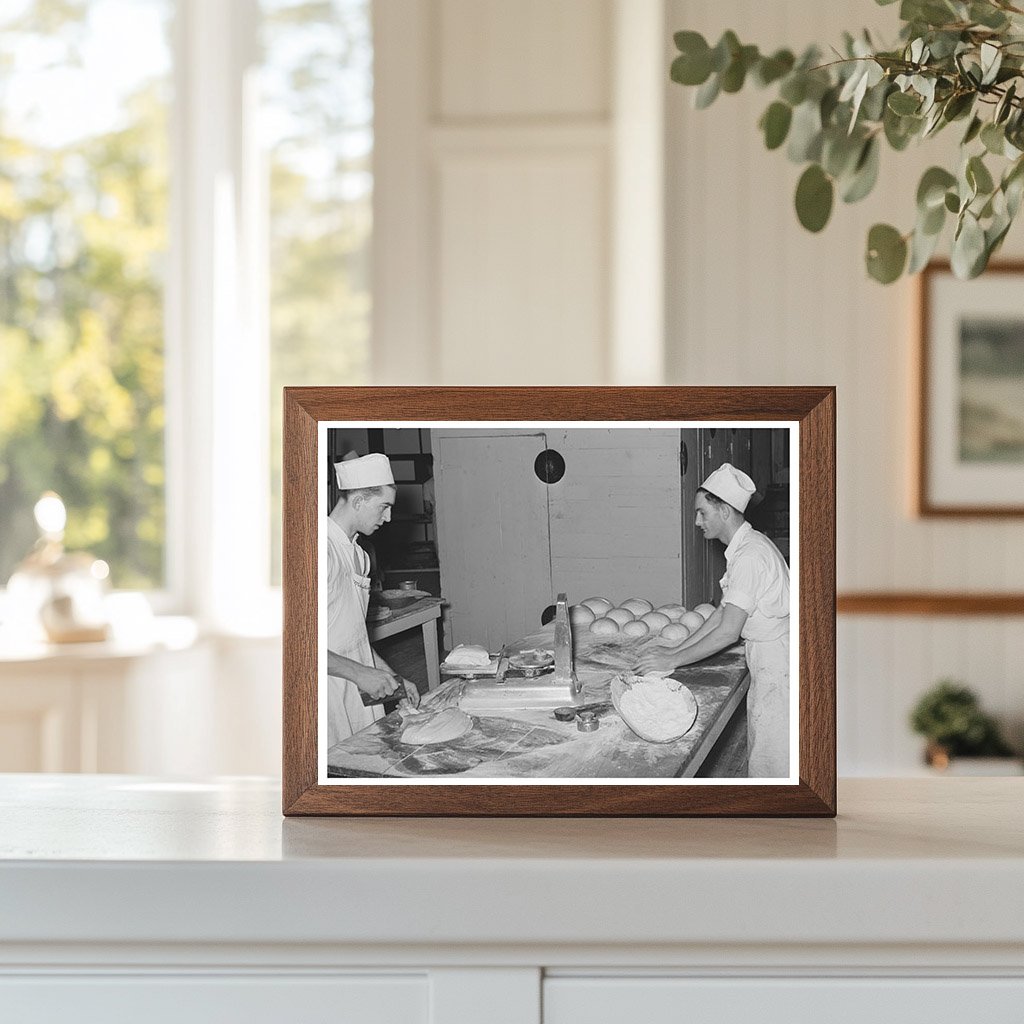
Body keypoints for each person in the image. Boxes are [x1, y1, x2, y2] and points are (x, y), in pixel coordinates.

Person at [638, 463, 790, 778]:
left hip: (780, 663)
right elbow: (722, 612)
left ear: (724, 511)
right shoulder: (745, 548)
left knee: (774, 761)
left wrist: (673, 659)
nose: (697, 522)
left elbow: (728, 632)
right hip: (771, 657)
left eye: (702, 513)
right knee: (766, 749)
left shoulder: (749, 557)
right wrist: (675, 650)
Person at [326, 452, 419, 748]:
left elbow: (352, 635)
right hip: (325, 690)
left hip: (358, 685)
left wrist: (391, 676)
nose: (388, 518)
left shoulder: (359, 555)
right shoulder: (319, 551)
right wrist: (361, 674)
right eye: (384, 507)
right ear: (358, 501)